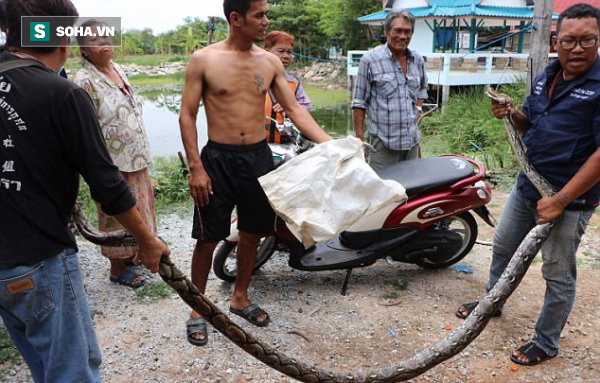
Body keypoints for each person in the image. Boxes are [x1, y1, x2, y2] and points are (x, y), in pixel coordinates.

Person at [0, 0, 169, 381]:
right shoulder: (64, 93)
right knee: (71, 370)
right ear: (64, 42)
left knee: (42, 361)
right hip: (39, 255)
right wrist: (147, 239)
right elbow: (107, 184)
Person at [178, 0, 332, 346]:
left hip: (257, 158)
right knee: (207, 239)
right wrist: (196, 168)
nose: (266, 21)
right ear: (236, 18)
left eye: (266, 14)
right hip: (217, 159)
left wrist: (329, 144)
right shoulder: (205, 60)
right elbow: (187, 115)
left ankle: (240, 296)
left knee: (253, 233)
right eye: (259, 15)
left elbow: (293, 109)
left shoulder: (269, 62)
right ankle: (197, 309)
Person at [456, 3, 600, 366]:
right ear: (556, 41)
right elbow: (532, 126)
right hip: (527, 186)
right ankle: (493, 302)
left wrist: (562, 199)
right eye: (570, 40)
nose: (578, 48)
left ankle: (546, 341)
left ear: (598, 40)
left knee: (556, 270)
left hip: (570, 197)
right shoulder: (546, 76)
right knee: (503, 247)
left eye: (588, 40)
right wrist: (513, 114)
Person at [72, 20, 155, 289]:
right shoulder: (83, 81)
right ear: (83, 50)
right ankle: (117, 268)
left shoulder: (117, 69)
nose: (104, 44)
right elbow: (88, 128)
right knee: (114, 216)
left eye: (106, 38)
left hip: (136, 156)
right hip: (112, 162)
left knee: (139, 208)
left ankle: (134, 255)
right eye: (95, 41)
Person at [351, 10, 428, 171]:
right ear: (387, 32)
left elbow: (422, 89)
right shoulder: (370, 60)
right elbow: (359, 102)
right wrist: (360, 138)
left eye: (407, 32)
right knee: (381, 191)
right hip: (382, 144)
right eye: (398, 31)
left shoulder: (417, 60)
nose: (403, 36)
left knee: (411, 189)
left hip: (411, 142)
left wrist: (417, 111)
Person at [263, 30, 311, 144]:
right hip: (256, 147)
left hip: (285, 145)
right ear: (266, 52)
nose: (286, 56)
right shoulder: (254, 79)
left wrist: (290, 106)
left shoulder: (293, 83)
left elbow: (306, 106)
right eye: (281, 51)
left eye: (289, 52)